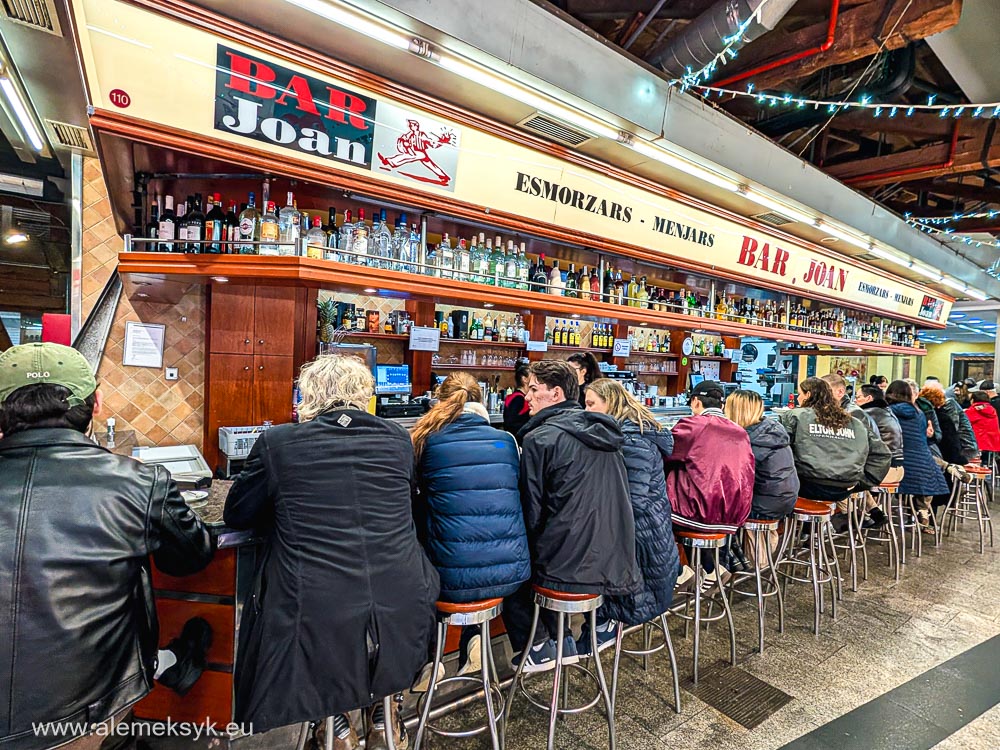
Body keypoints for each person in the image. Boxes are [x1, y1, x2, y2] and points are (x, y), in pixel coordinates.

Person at [0, 343, 215, 750]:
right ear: (96, 403)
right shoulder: (137, 482)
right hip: (83, 720)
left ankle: (166, 663)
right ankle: (167, 663)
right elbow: (193, 555)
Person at [225, 354, 440, 750]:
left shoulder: (279, 443)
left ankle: (336, 724)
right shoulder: (397, 439)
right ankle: (382, 707)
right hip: (406, 596)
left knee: (312, 615)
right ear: (364, 395)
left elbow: (237, 514)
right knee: (361, 619)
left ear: (308, 396)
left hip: (316, 606)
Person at [504, 360, 639, 672]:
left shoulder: (539, 439)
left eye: (534, 390)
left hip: (571, 567)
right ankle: (562, 639)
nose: (527, 397)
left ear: (555, 394)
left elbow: (532, 513)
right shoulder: (604, 430)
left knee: (513, 569)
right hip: (616, 556)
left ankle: (539, 646)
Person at [411, 372, 530, 679]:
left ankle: (429, 658)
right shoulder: (506, 441)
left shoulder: (428, 440)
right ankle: (473, 635)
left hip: (448, 578)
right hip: (511, 574)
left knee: (426, 550)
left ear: (440, 400)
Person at [582, 378, 680, 653]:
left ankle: (601, 627)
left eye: (591, 404)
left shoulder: (631, 440)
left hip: (642, 541)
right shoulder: (628, 433)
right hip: (652, 535)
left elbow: (631, 502)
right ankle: (598, 624)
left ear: (610, 403)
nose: (586, 411)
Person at [665, 380, 755, 586]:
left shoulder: (693, 425)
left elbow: (665, 454)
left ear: (696, 402)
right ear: (722, 405)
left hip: (698, 514)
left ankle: (678, 573)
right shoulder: (740, 431)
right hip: (733, 515)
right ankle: (711, 569)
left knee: (652, 517)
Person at [780, 377, 890, 504]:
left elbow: (780, 450)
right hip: (843, 488)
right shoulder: (855, 422)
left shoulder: (795, 416)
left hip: (806, 484)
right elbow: (883, 455)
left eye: (799, 394)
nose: (798, 398)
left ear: (808, 395)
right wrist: (861, 482)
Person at [723, 389, 799, 562]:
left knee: (716, 511)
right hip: (786, 499)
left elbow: (732, 479)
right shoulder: (772, 429)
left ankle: (727, 567)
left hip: (764, 505)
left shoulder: (746, 440)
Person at [885, 380, 949, 533]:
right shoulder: (920, 413)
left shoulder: (889, 412)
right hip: (924, 464)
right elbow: (924, 438)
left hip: (900, 464)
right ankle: (922, 510)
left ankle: (876, 513)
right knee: (929, 471)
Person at [854, 384, 904, 528]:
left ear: (868, 398)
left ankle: (854, 517)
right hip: (898, 467)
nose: (855, 401)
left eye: (857, 397)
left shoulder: (867, 414)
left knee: (847, 479)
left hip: (886, 469)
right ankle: (873, 512)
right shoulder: (887, 411)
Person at [923, 379, 980, 466]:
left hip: (964, 448)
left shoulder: (948, 406)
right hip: (959, 448)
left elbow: (952, 431)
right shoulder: (942, 408)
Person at [965, 391, 1000, 464]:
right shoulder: (992, 409)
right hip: (993, 443)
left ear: (973, 400)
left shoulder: (973, 410)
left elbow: (965, 421)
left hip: (978, 443)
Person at [503, 361, 532, 438]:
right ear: (524, 379)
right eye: (531, 375)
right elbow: (511, 423)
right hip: (518, 440)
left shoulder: (513, 396)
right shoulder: (518, 398)